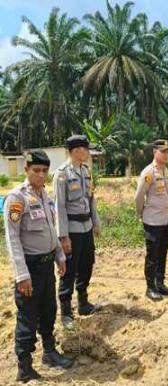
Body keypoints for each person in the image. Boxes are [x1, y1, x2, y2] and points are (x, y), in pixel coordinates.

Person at [4, 150, 74, 383]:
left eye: (45, 171)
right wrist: (22, 275)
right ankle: (24, 367)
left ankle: (50, 353)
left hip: (46, 266)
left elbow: (50, 230)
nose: (41, 175)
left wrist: (60, 256)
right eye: (36, 171)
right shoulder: (17, 198)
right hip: (30, 269)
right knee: (28, 317)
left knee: (48, 312)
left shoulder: (45, 195)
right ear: (27, 170)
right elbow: (12, 239)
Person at [53, 135, 102, 330]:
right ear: (75, 151)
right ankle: (66, 312)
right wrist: (63, 236)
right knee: (69, 270)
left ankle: (83, 303)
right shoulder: (62, 174)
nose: (88, 152)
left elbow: (91, 200)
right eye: (86, 148)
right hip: (71, 230)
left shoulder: (86, 172)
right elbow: (60, 208)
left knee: (87, 263)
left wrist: (95, 223)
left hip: (86, 227)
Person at [135, 139, 168, 301]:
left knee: (162, 252)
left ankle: (160, 283)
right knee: (152, 255)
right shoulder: (148, 172)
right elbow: (139, 196)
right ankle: (150, 287)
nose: (166, 154)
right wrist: (141, 214)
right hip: (152, 221)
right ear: (155, 152)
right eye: (163, 151)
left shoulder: (165, 171)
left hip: (165, 219)